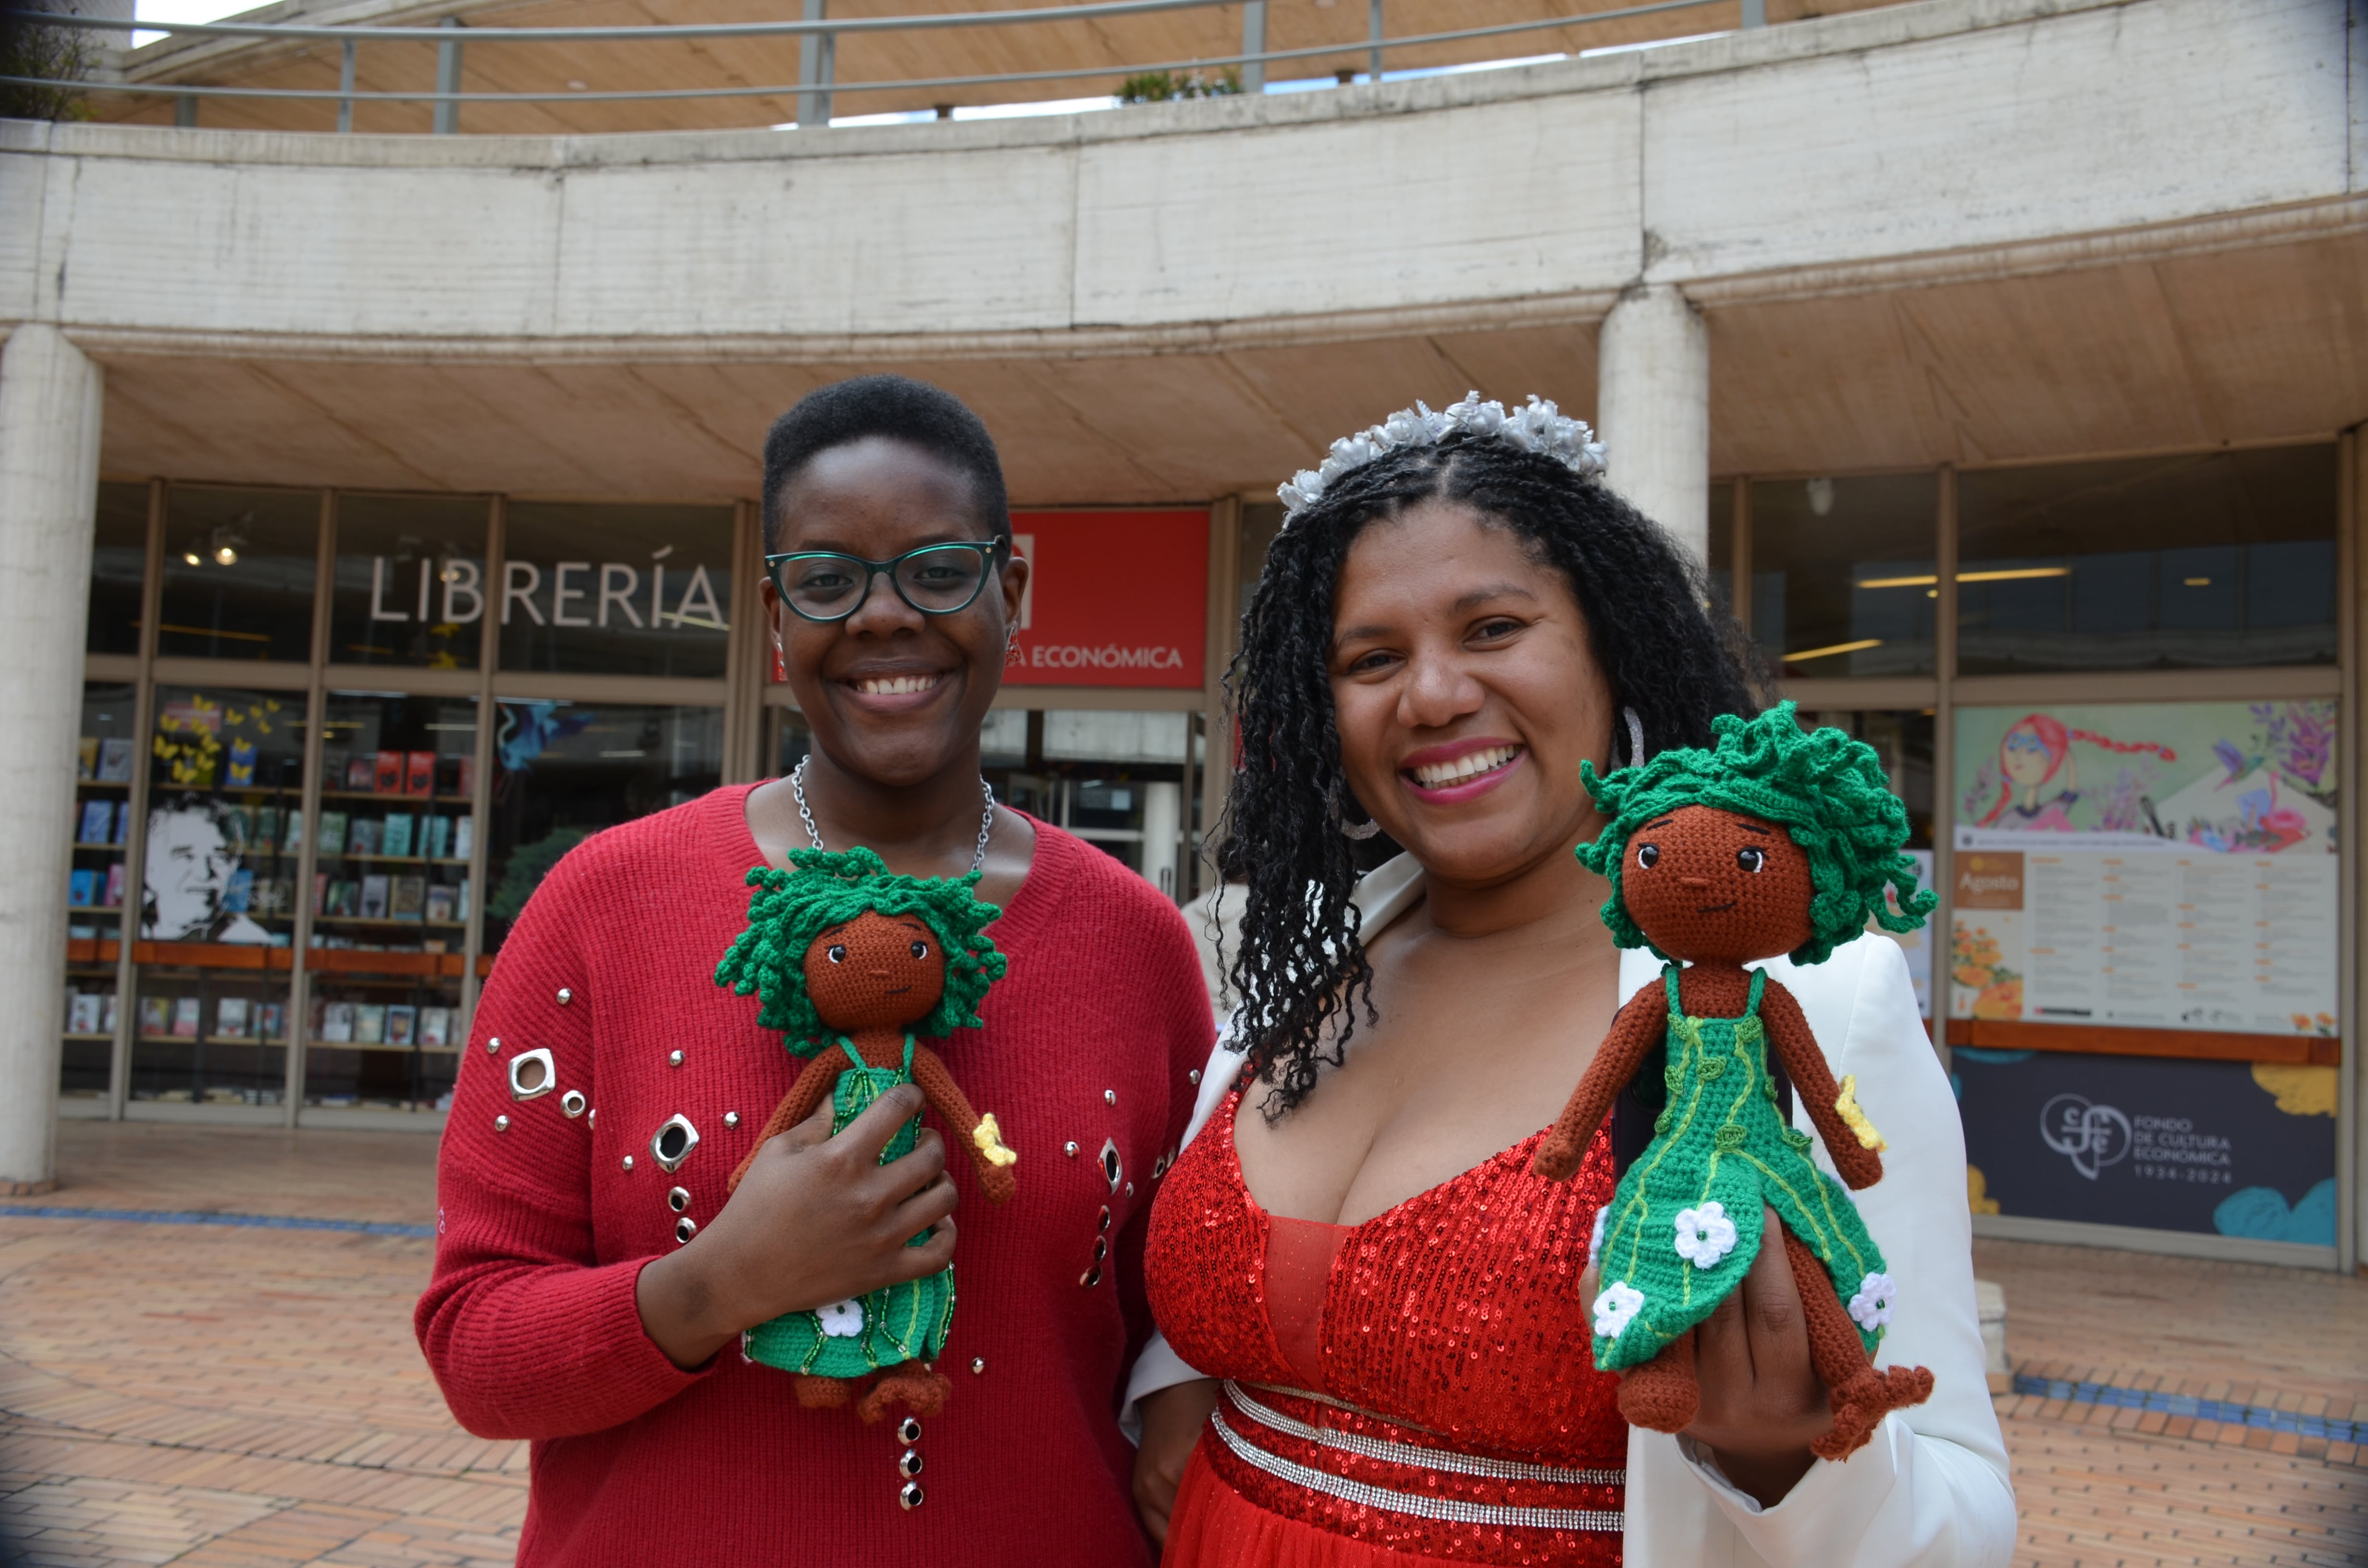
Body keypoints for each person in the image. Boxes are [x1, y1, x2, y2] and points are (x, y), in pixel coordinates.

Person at [1131, 394, 2014, 1566]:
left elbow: (1966, 1512)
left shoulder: (1808, 994)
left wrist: (1787, 1463)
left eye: (1493, 627)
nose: (1433, 693)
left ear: (1610, 646)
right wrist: (1181, 1395)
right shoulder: (1302, 969)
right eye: (1372, 657)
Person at [416, 376, 1214, 1567]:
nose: (885, 618)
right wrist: (719, 1282)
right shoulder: (605, 905)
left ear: (1014, 588)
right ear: (776, 618)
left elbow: (1185, 1334)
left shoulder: (1136, 944)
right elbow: (478, 1354)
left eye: (938, 570)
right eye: (830, 581)